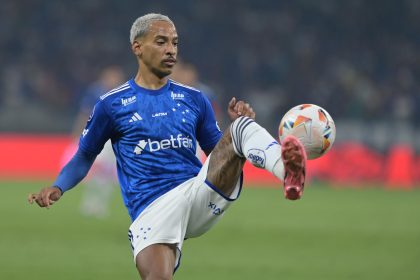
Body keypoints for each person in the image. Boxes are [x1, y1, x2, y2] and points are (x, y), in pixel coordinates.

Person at [28, 13, 306, 280]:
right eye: (161, 42)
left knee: (240, 128)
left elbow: (215, 152)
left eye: (174, 43)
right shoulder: (111, 104)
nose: (171, 49)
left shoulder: (195, 99)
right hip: (152, 208)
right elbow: (85, 155)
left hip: (198, 192)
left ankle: (288, 171)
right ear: (137, 47)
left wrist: (234, 139)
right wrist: (58, 186)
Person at [70, 66, 125, 218]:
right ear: (104, 78)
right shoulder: (95, 92)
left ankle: (100, 204)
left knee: (106, 173)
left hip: (114, 139)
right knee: (96, 170)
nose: (113, 80)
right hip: (96, 136)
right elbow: (85, 113)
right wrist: (78, 133)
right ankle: (89, 202)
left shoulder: (124, 94)